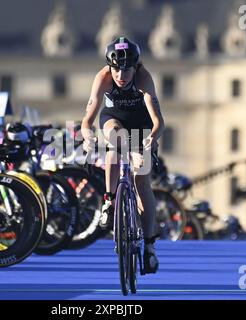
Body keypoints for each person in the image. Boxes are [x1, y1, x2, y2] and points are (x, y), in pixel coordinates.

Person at [81, 37, 165, 274]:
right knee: (115, 142)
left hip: (142, 125)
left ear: (135, 67)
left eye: (126, 69)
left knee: (142, 182)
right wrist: (87, 136)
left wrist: (151, 140)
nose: (121, 75)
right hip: (113, 119)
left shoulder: (143, 78)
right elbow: (87, 120)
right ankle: (109, 201)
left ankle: (149, 247)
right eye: (116, 68)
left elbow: (159, 122)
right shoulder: (103, 78)